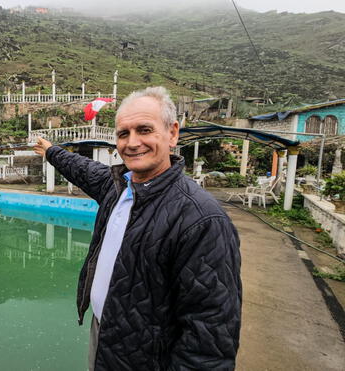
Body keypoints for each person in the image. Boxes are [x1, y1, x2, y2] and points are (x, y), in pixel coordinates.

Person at [33, 86, 241, 370]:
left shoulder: (201, 219)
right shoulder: (118, 186)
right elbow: (81, 167)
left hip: (148, 357)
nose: (132, 143)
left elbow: (210, 335)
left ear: (172, 133)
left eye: (144, 130)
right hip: (106, 334)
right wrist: (51, 151)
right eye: (123, 133)